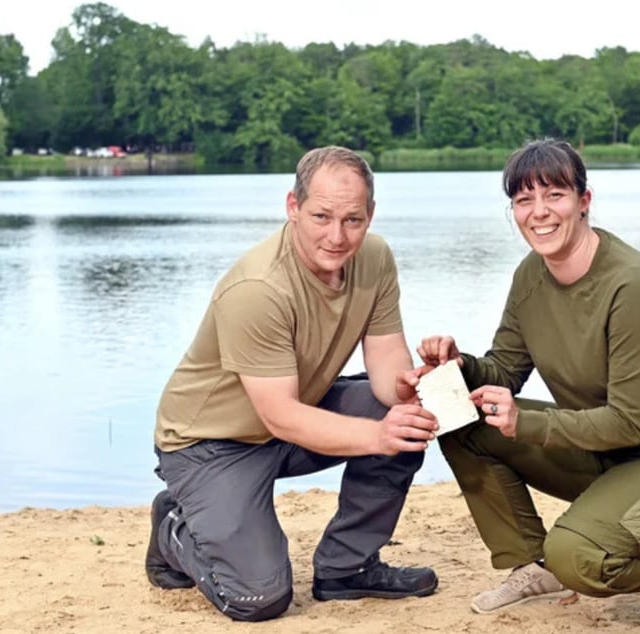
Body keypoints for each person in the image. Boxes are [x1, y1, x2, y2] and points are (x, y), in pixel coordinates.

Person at [416, 138, 640, 624]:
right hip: (610, 455)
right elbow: (504, 371)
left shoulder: (632, 286)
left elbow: (629, 423)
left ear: (584, 201)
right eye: (524, 200)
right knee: (462, 420)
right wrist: (458, 366)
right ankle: (530, 564)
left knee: (579, 558)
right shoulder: (531, 275)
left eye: (554, 195)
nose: (539, 212)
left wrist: (522, 422)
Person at [145, 146, 440, 622]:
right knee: (258, 600)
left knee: (406, 421)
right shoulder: (258, 289)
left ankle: (347, 567)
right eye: (321, 216)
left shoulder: (376, 257)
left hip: (293, 417)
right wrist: (376, 437)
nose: (337, 236)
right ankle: (173, 528)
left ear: (371, 215)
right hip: (211, 443)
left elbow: (386, 359)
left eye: (352, 219)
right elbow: (278, 414)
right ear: (293, 207)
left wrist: (412, 387)